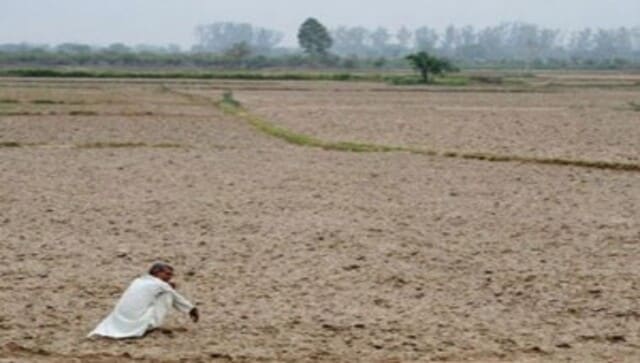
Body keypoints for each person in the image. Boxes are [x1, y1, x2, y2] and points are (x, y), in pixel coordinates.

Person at [88, 262, 199, 339]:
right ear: (156, 272)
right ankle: (151, 326)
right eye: (167, 274)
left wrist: (167, 285)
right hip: (136, 324)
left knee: (164, 293)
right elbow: (176, 297)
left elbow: (153, 290)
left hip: (117, 322)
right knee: (168, 295)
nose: (169, 277)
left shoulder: (138, 280)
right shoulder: (159, 284)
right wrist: (191, 309)